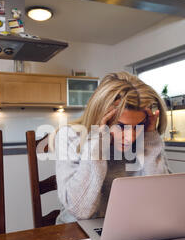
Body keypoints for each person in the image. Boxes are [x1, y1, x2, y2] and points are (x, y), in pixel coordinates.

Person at [53, 72, 171, 224]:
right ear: (101, 117)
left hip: (130, 225)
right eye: (121, 126)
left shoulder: (146, 138)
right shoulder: (68, 136)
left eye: (138, 126)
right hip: (77, 231)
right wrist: (98, 144)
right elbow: (81, 211)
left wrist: (150, 141)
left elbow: (161, 200)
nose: (131, 137)